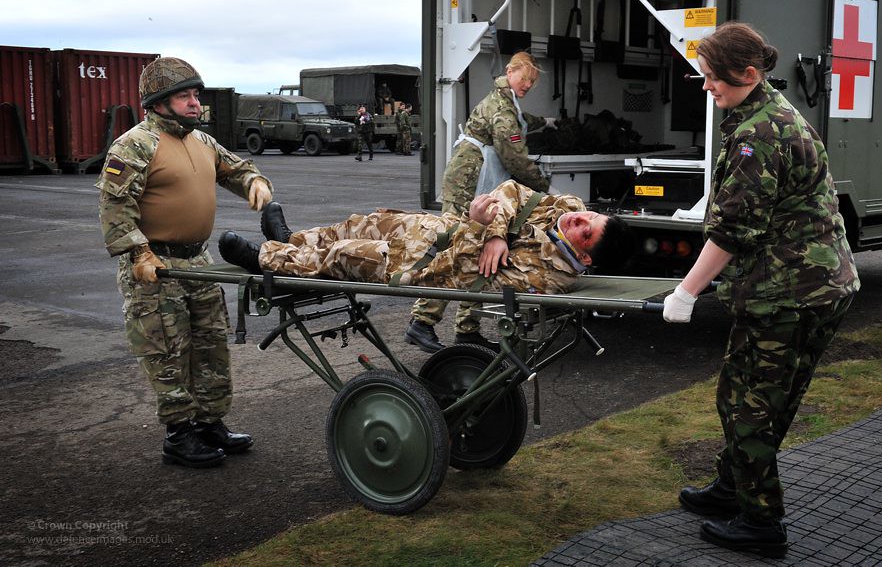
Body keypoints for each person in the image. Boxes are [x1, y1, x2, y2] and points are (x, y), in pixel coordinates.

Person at [660, 22, 860, 558]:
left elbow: (732, 232)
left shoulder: (760, 134)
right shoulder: (760, 115)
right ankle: (733, 490)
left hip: (796, 295)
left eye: (711, 77)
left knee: (753, 410)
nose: (706, 86)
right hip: (796, 288)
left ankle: (761, 523)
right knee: (737, 394)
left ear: (747, 74)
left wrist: (686, 292)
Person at [96, 57, 274, 468]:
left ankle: (210, 422)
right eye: (185, 96)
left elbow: (236, 169)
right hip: (156, 267)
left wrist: (255, 180)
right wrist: (138, 253)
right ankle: (180, 434)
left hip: (198, 262)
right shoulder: (134, 145)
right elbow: (114, 205)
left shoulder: (201, 141)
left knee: (211, 344)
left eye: (196, 95)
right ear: (159, 102)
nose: (195, 104)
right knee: (166, 350)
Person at [220, 180, 633, 297]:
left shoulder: (548, 277)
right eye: (592, 216)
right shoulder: (565, 208)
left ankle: (267, 259)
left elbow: (470, 270)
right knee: (358, 224)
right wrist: (495, 234)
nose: (580, 218)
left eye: (587, 230)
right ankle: (292, 240)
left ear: (586, 257)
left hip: (425, 267)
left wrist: (479, 227)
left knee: (343, 254)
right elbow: (513, 191)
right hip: (438, 232)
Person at [407, 51, 556, 352]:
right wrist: (542, 188)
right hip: (470, 180)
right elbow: (513, 156)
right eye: (524, 77)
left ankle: (467, 328)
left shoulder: (507, 103)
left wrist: (546, 121)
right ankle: (421, 323)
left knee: (478, 252)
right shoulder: (501, 108)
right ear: (510, 72)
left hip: (480, 179)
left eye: (532, 81)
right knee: (456, 247)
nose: (527, 84)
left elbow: (522, 121)